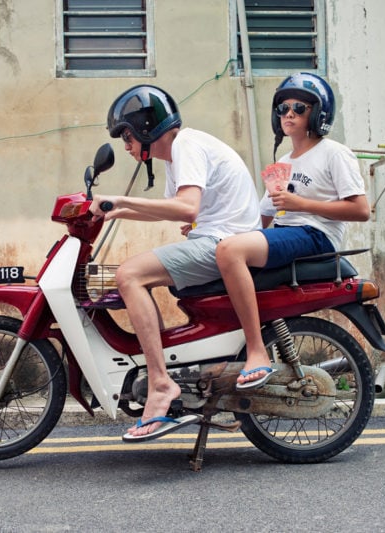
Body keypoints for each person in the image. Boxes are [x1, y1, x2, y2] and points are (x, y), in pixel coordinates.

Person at [89, 85, 261, 440]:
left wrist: (120, 201)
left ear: (146, 127)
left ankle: (160, 383)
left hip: (221, 243)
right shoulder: (178, 154)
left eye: (127, 135)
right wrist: (119, 209)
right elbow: (178, 211)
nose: (126, 145)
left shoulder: (186, 145)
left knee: (129, 275)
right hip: (216, 238)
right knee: (133, 272)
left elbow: (187, 208)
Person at [215, 72, 370, 390]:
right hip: (285, 234)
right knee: (220, 251)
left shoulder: (334, 153)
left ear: (318, 113)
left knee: (231, 250)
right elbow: (262, 218)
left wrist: (299, 202)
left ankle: (256, 351)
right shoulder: (283, 161)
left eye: (299, 107)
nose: (289, 114)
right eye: (283, 108)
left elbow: (360, 209)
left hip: (315, 236)